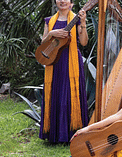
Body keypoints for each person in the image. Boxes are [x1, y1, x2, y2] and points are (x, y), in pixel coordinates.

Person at [39, 0, 89, 143]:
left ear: (71, 2)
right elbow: (43, 43)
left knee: (70, 94)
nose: (62, 1)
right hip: (54, 62)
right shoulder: (49, 21)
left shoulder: (76, 19)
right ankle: (54, 134)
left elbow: (84, 42)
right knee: (55, 93)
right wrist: (52, 33)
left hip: (71, 61)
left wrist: (83, 22)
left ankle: (72, 133)